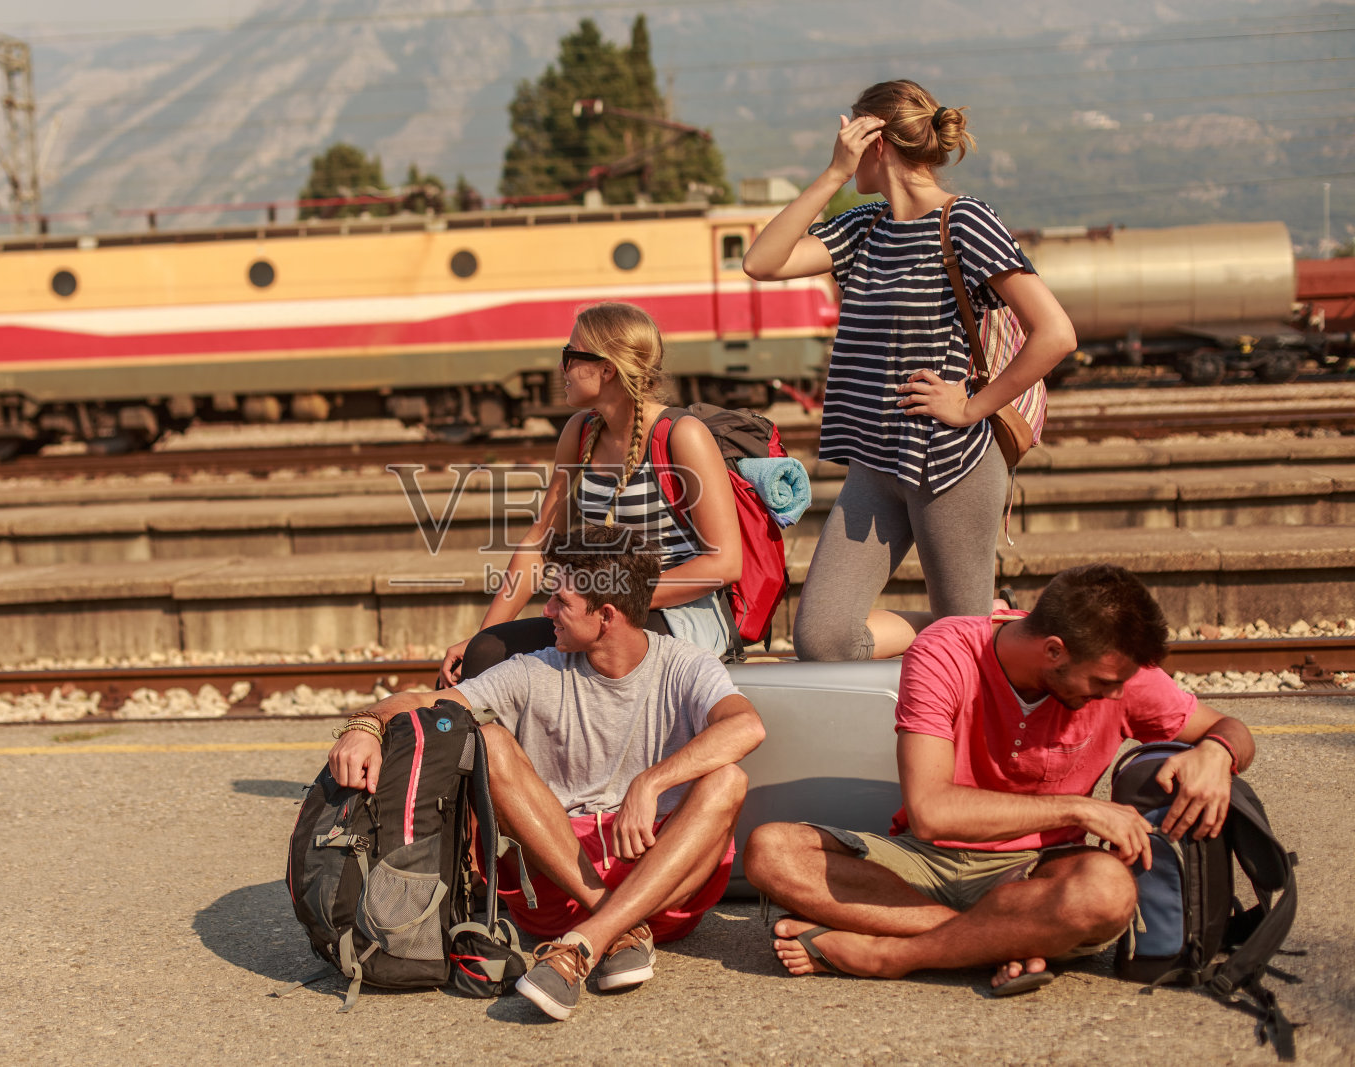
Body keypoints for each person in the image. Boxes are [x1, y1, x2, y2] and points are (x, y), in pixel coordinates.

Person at [741, 563, 1255, 994]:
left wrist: (1217, 750)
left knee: (1107, 893)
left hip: (1035, 872)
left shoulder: (1121, 673)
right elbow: (932, 811)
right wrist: (1078, 809)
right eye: (1103, 683)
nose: (1117, 697)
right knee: (771, 852)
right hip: (927, 858)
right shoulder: (947, 650)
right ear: (1054, 650)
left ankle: (893, 955)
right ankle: (997, 942)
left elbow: (1229, 728)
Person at [328, 525, 765, 1020]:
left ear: (606, 616)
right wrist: (366, 724)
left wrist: (651, 782)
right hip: (559, 879)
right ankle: (611, 931)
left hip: (661, 881)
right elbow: (426, 704)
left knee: (728, 779)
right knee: (489, 740)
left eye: (560, 602)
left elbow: (746, 726)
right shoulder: (535, 669)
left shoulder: (686, 665)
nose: (547, 612)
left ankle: (583, 946)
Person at [742, 79, 1077, 661]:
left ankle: (977, 632)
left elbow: (1056, 334)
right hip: (874, 460)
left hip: (952, 459)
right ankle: (991, 624)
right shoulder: (863, 225)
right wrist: (831, 176)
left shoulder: (965, 221)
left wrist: (971, 406)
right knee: (823, 638)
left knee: (965, 648)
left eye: (849, 129)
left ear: (876, 141)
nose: (840, 139)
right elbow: (761, 262)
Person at [436, 301, 742, 685]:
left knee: (574, 668)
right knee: (484, 660)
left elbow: (725, 563)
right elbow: (541, 541)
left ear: (607, 368)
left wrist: (617, 599)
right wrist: (484, 635)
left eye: (569, 355)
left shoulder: (682, 435)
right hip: (596, 610)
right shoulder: (579, 432)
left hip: (679, 615)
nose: (561, 368)